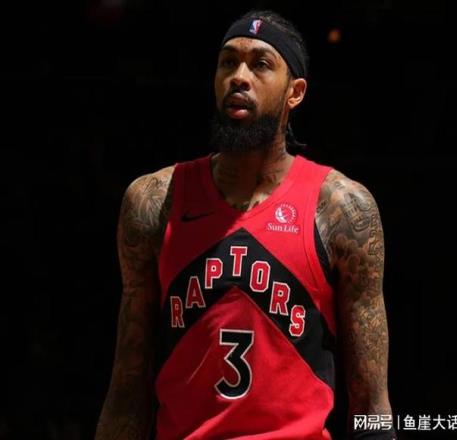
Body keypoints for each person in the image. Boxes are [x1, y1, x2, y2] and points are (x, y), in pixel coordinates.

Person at [95, 9, 397, 440]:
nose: (239, 76)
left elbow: (371, 404)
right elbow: (127, 389)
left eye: (260, 64)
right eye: (228, 62)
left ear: (295, 93)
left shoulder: (342, 209)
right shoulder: (154, 201)